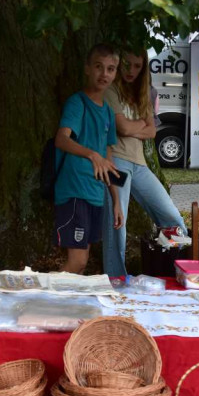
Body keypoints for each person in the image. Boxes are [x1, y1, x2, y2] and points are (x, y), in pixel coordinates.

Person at [102, 49, 187, 278]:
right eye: (127, 64)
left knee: (174, 220)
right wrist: (137, 125)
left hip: (140, 165)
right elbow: (123, 128)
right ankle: (115, 278)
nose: (131, 70)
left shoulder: (143, 93)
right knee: (117, 224)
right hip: (117, 162)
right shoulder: (110, 91)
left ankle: (176, 271)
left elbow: (151, 132)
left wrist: (134, 126)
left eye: (137, 65)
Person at [53, 43, 124, 274]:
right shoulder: (78, 102)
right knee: (78, 262)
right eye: (99, 67)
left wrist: (115, 200)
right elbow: (61, 140)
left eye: (111, 69)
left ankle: (65, 308)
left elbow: (108, 157)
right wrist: (92, 154)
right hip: (74, 192)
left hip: (95, 195)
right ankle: (43, 300)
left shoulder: (108, 113)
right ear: (87, 69)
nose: (104, 74)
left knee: (83, 264)